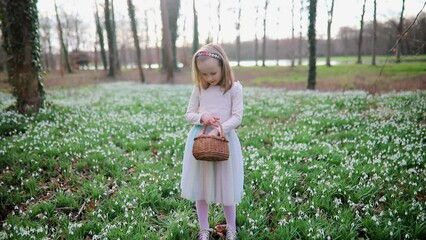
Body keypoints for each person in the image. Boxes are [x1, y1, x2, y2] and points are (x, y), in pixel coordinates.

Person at [181, 43, 244, 240]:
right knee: (201, 188)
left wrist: (220, 128)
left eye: (213, 73)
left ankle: (231, 228)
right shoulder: (199, 88)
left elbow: (237, 117)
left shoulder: (234, 88)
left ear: (223, 65)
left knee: (227, 187)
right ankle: (204, 229)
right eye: (204, 74)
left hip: (224, 140)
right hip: (201, 141)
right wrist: (202, 116)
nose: (209, 78)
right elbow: (189, 114)